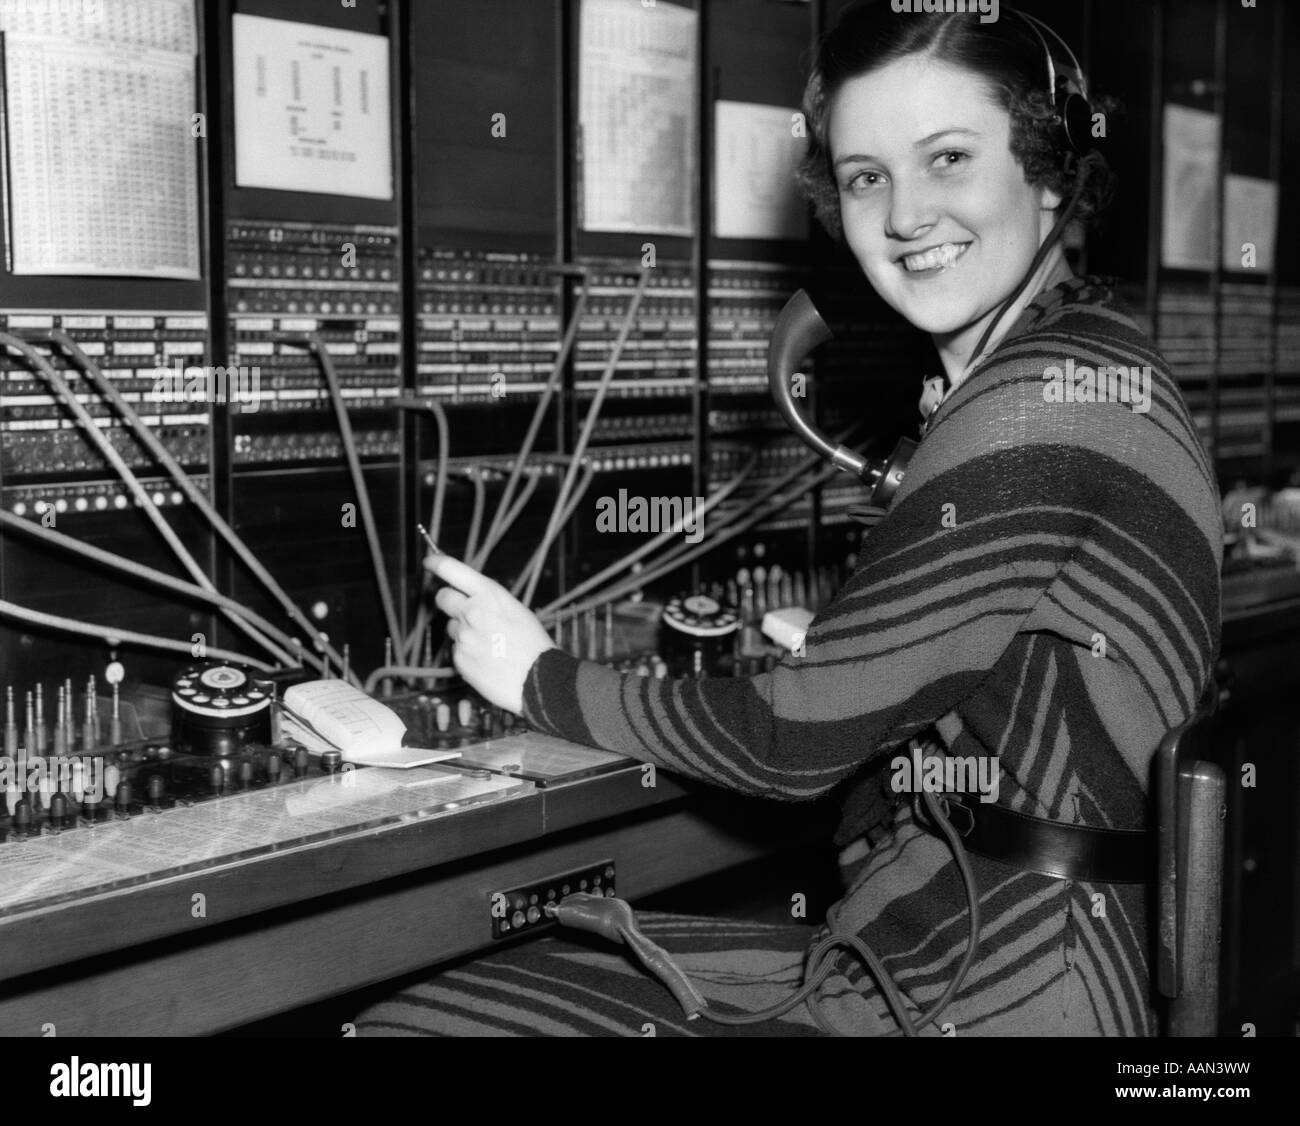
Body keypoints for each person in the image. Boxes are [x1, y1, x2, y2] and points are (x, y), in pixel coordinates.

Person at [354, 1, 1221, 1036]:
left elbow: (786, 748)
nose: (902, 215)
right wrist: (878, 657)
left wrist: (535, 672)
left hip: (1008, 978)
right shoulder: (1092, 360)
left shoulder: (1032, 407)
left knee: (420, 1021)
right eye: (865, 176)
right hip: (1000, 934)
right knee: (515, 976)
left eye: (947, 158)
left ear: (1046, 169)